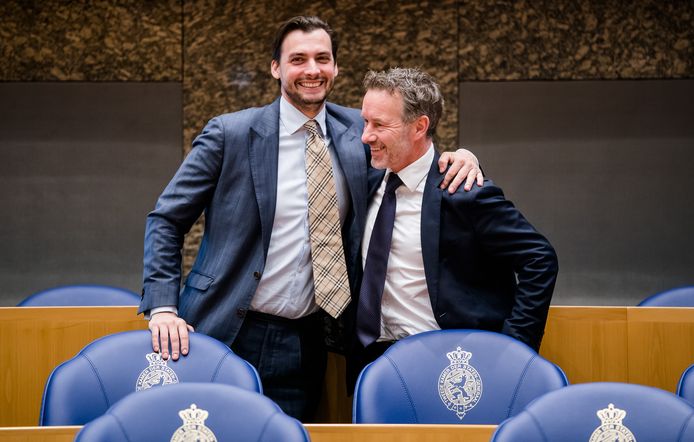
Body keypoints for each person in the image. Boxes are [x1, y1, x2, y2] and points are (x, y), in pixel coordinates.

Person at [139, 17, 482, 421]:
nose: (312, 70)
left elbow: (409, 147)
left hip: (305, 339)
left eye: (323, 58)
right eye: (298, 59)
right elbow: (166, 219)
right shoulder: (230, 133)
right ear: (276, 68)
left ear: (336, 67)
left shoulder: (359, 130)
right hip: (223, 326)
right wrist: (162, 307)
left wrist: (459, 157)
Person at [349, 67, 558, 387]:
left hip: (449, 363)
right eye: (365, 121)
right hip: (375, 364)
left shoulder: (464, 191)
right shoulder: (366, 178)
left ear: (419, 126)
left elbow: (539, 259)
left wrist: (515, 345)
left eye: (379, 125)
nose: (366, 135)